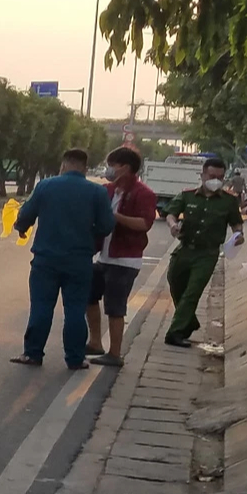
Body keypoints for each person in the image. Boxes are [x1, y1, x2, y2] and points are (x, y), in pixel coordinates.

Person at [9, 149, 116, 370]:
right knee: (75, 310)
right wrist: (87, 233)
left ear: (64, 164)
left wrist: (21, 228)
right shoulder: (97, 192)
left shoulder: (46, 186)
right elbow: (106, 226)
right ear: (85, 167)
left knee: (41, 307)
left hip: (46, 260)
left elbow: (27, 214)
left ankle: (33, 353)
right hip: (79, 261)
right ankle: (75, 358)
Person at [86, 147, 158, 366]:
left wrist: (114, 217)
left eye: (112, 165)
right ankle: (95, 342)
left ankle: (115, 353)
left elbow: (144, 224)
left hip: (125, 260)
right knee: (88, 296)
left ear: (125, 168)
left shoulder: (143, 193)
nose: (109, 170)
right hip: (103, 256)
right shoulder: (107, 190)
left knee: (115, 306)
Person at [163, 158, 244, 347]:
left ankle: (175, 332)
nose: (216, 180)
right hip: (184, 249)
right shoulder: (187, 196)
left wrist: (239, 234)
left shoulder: (229, 201)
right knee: (176, 285)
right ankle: (189, 321)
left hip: (207, 254)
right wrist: (173, 225)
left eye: (220, 177)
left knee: (192, 292)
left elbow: (236, 222)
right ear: (203, 175)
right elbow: (170, 213)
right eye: (212, 176)